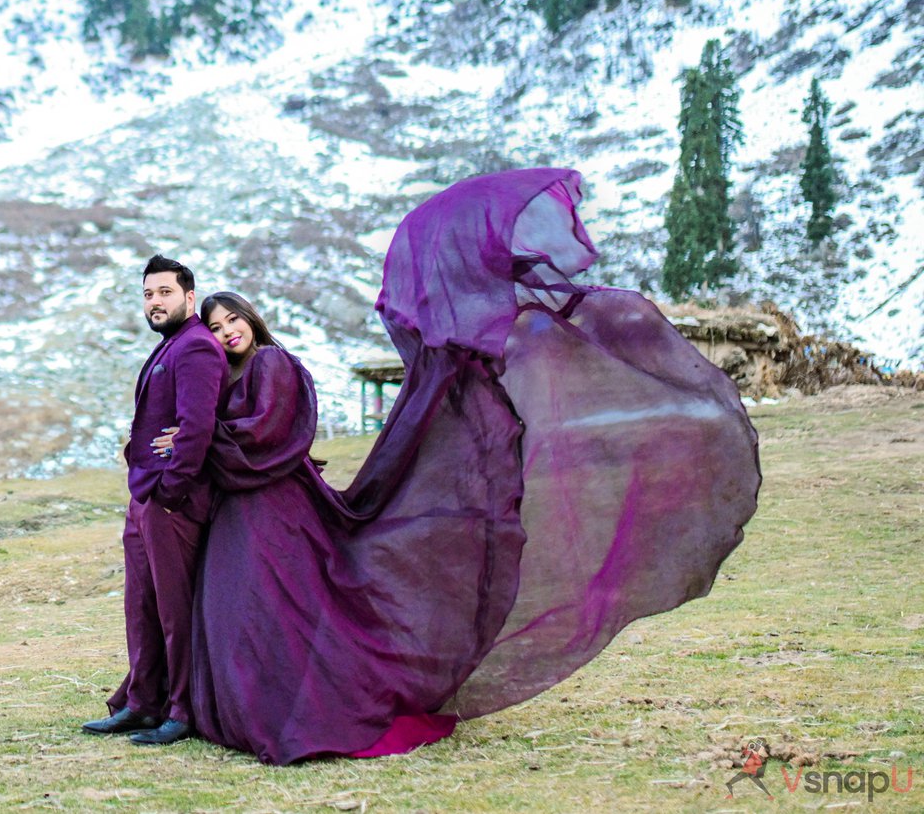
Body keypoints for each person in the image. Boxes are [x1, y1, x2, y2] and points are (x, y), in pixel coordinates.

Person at [126, 169, 761, 764]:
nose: (227, 330)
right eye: (216, 324)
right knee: (243, 611)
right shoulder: (231, 370)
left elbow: (268, 433)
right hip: (243, 509)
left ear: (252, 319)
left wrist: (197, 441)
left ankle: (291, 710)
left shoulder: (272, 364)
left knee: (272, 607)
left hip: (274, 509)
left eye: (233, 318)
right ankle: (221, 706)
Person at [81, 255, 227, 746]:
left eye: (164, 293)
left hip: (171, 501)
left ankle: (182, 710)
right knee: (140, 605)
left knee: (173, 608)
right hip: (144, 497)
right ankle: (142, 703)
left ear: (189, 298)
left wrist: (169, 493)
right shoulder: (170, 346)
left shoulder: (196, 348)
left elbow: (198, 428)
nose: (155, 302)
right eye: (148, 294)